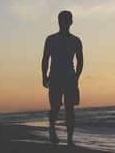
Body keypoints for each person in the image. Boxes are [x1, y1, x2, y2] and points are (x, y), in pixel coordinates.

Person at [41, 10, 83, 146]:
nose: (65, 23)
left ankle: (70, 139)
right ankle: (52, 128)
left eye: (67, 20)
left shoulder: (75, 40)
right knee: (55, 107)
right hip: (55, 77)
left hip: (70, 77)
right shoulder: (51, 39)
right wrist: (44, 75)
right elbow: (45, 58)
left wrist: (76, 77)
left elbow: (80, 61)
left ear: (71, 22)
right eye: (63, 20)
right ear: (59, 22)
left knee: (69, 109)